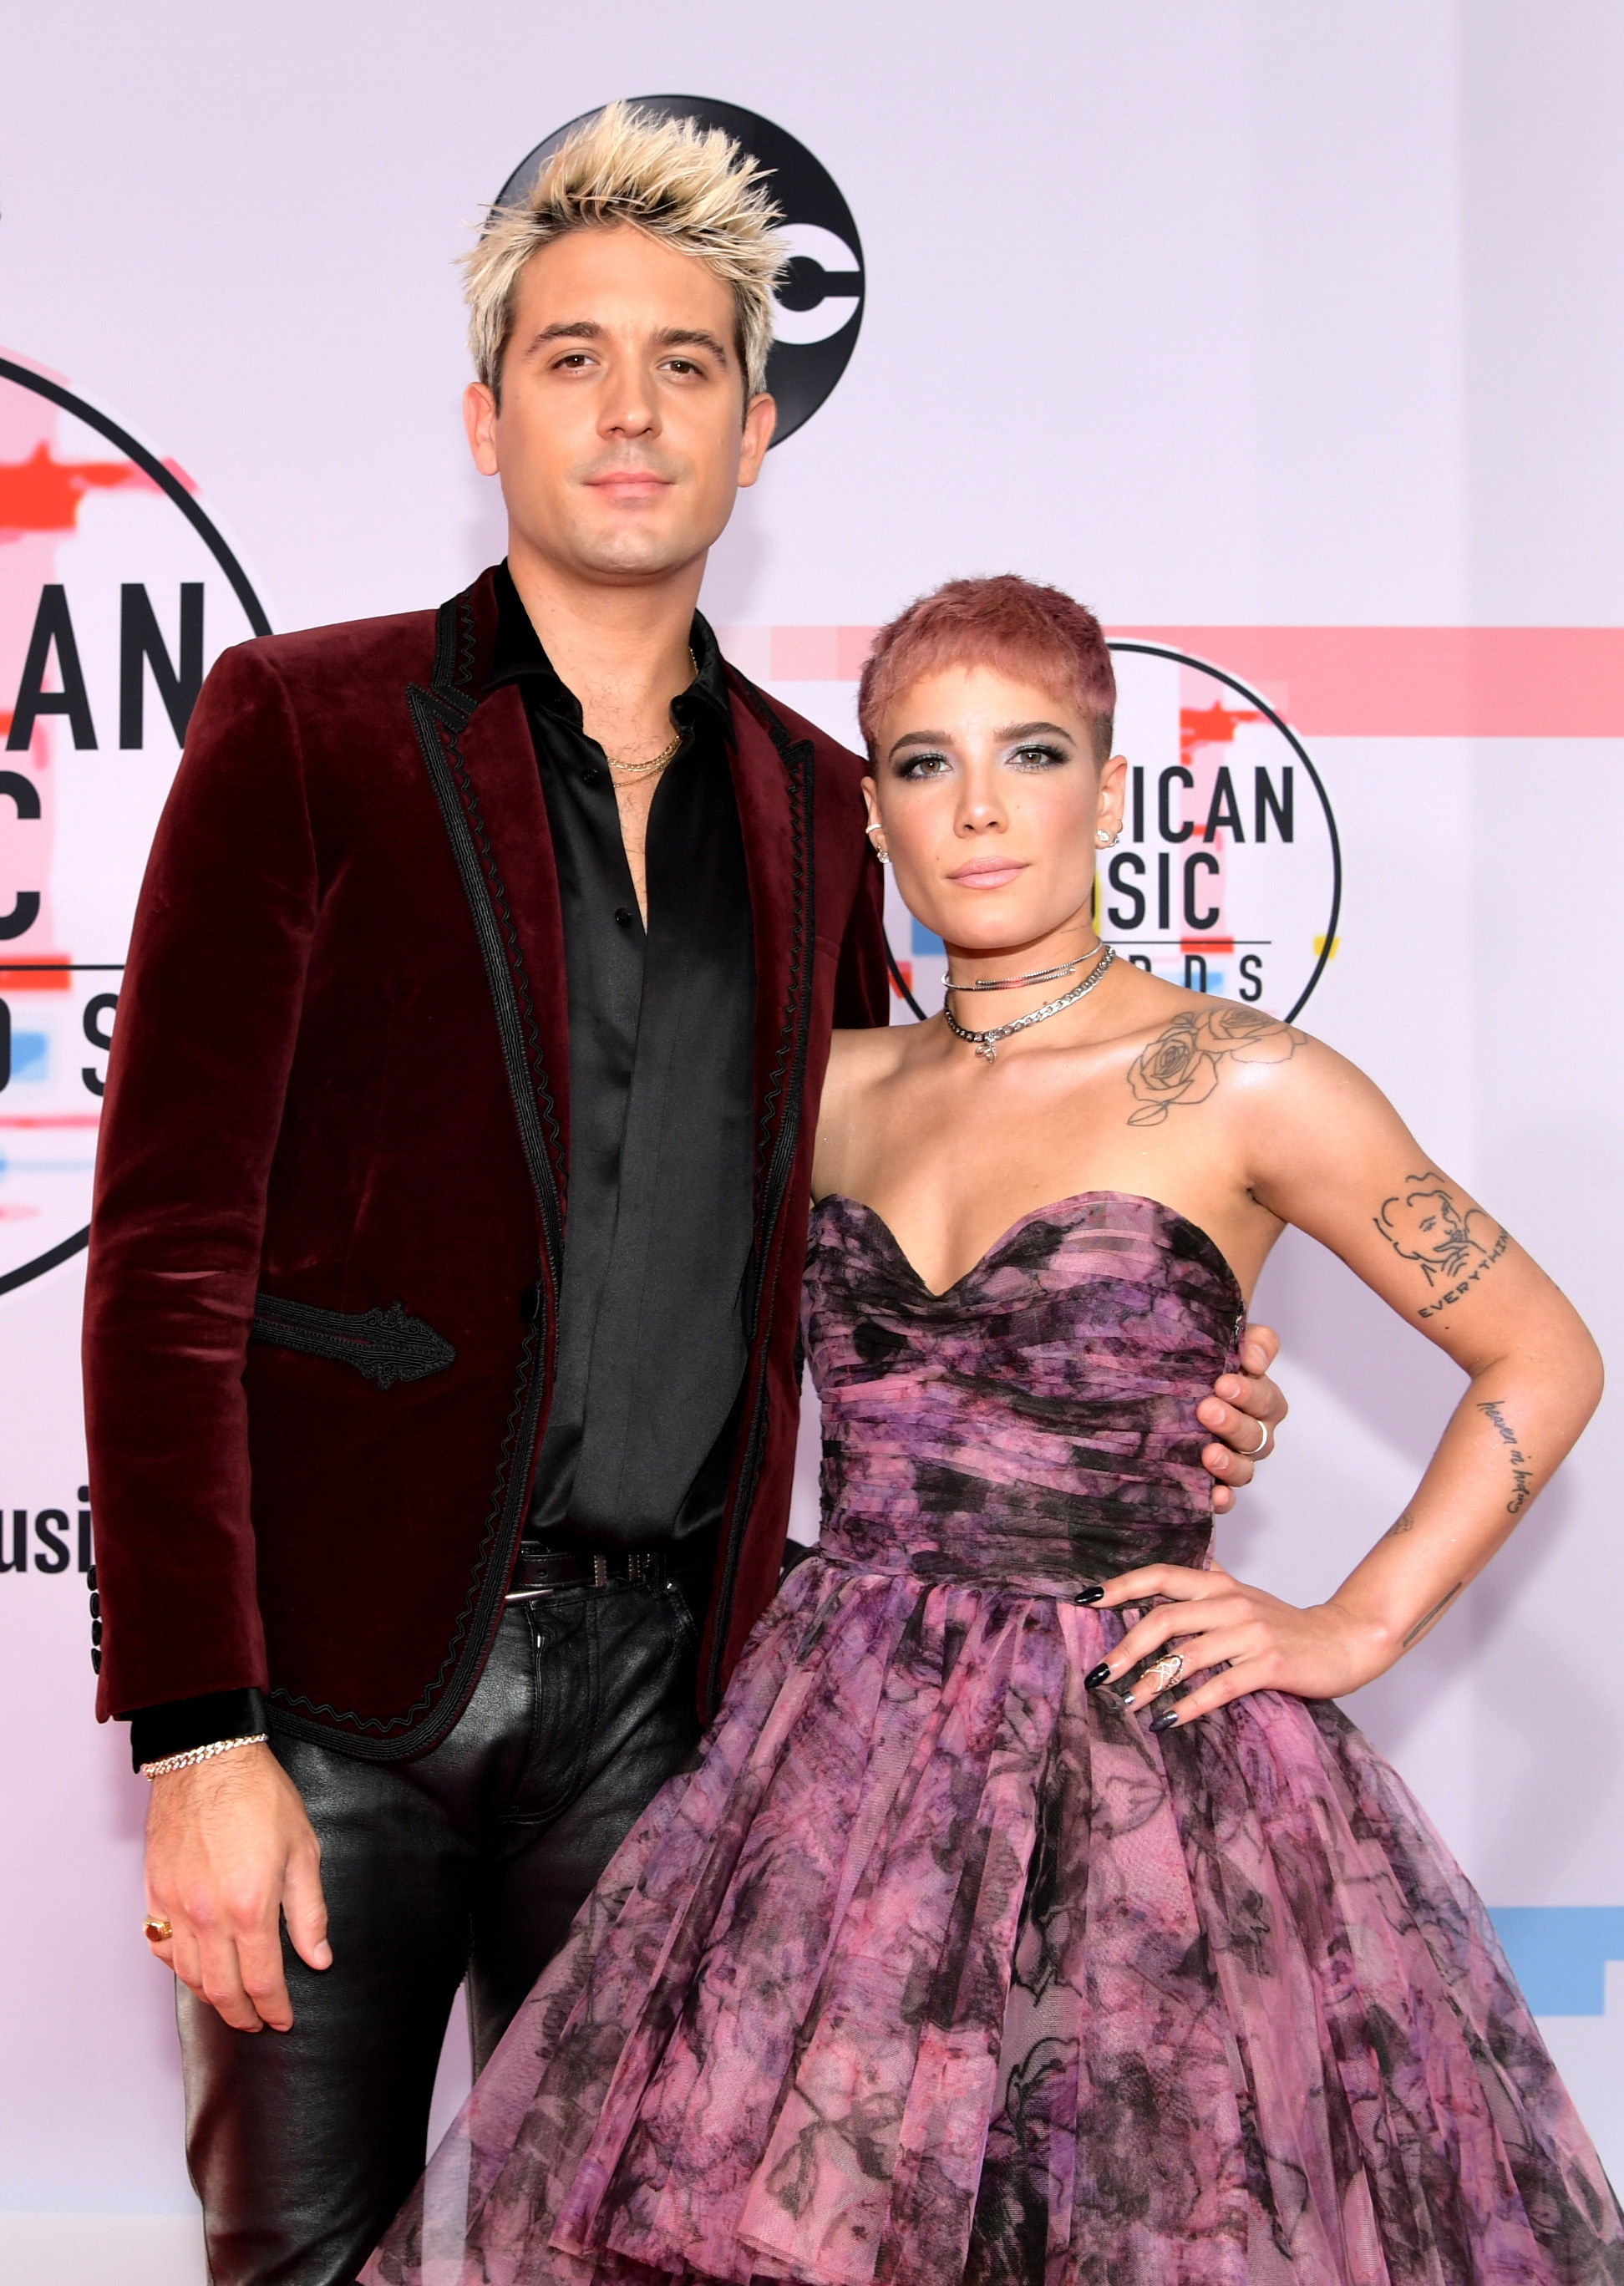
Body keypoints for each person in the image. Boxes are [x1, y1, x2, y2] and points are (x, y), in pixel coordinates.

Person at [81, 119, 1284, 2286]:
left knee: (642, 2261)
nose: (628, 409)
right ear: (486, 414)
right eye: (570, 359)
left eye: (683, 367)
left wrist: (1145, 1359)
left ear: (753, 437)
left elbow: (892, 1225)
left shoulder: (825, 807)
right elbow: (168, 1263)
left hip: (684, 1711)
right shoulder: (307, 726)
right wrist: (195, 1736)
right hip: (344, 1695)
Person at [366, 574, 1621, 2286]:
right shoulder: (828, 1090)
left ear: (1108, 788)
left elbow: (1542, 1354)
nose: (975, 806)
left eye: (1028, 754)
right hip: (835, 1769)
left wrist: (1355, 1619)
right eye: (919, 762)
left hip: (1143, 1773)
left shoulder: (1247, 1081)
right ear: (871, 806)